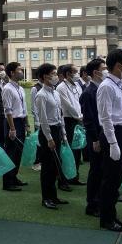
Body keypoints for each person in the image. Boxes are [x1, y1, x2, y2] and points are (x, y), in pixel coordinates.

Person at [96, 49, 122, 232]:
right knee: (110, 179)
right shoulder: (106, 86)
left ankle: (112, 215)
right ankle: (106, 219)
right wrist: (112, 142)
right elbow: (105, 117)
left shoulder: (119, 84)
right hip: (114, 134)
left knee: (116, 178)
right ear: (118, 65)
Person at [34, 63, 69, 210]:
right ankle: (46, 198)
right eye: (53, 73)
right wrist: (49, 138)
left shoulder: (55, 93)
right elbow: (43, 120)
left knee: (55, 165)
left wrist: (63, 134)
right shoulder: (41, 95)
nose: (55, 76)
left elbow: (59, 114)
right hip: (47, 132)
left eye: (55, 73)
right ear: (44, 76)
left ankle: (53, 195)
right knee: (47, 167)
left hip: (56, 130)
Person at [81, 58, 106, 216]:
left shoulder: (101, 89)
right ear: (96, 72)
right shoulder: (89, 92)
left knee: (101, 170)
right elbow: (89, 120)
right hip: (95, 137)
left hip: (102, 135)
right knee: (96, 171)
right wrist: (95, 139)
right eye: (104, 68)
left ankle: (99, 200)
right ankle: (92, 204)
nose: (106, 71)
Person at [2, 61, 28, 191]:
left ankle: (14, 177)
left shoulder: (20, 88)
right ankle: (7, 182)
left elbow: (24, 107)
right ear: (12, 72)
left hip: (21, 121)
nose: (21, 71)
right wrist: (12, 128)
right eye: (19, 69)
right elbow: (8, 110)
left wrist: (27, 123)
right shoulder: (7, 88)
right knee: (11, 152)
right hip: (13, 122)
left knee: (19, 152)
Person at [56, 63, 85, 185]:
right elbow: (68, 105)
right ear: (68, 74)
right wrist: (78, 117)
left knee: (77, 149)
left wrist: (82, 116)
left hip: (79, 120)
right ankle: (64, 178)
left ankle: (74, 176)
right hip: (68, 121)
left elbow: (80, 102)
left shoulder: (77, 86)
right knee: (67, 151)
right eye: (75, 72)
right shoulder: (61, 87)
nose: (77, 74)